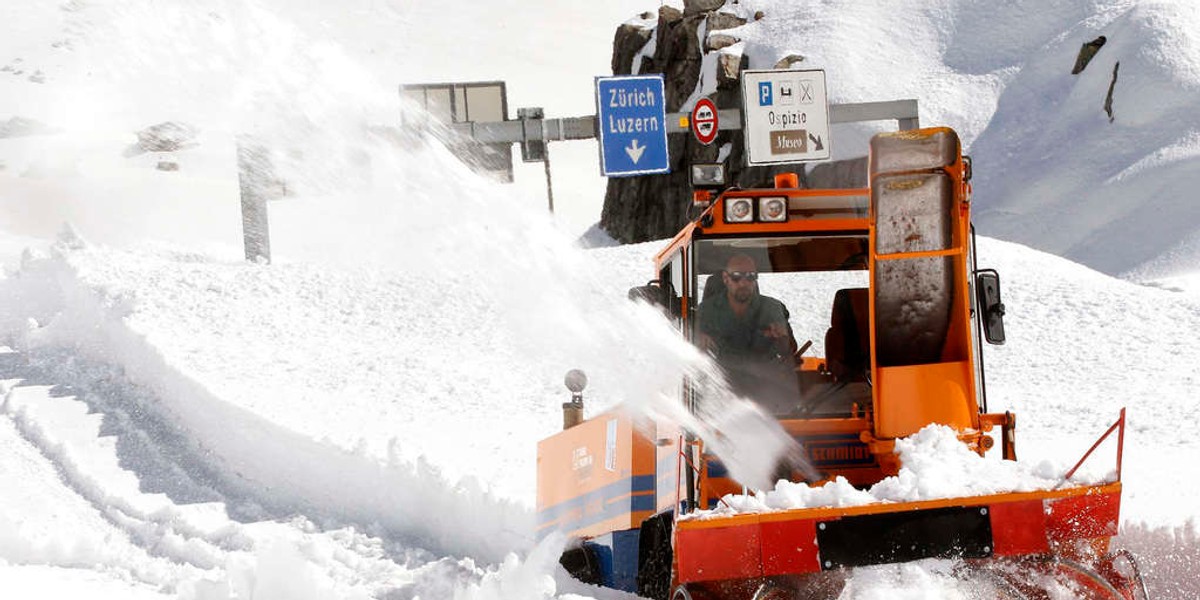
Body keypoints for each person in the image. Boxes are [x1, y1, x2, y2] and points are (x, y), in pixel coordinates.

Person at [697, 254, 800, 412]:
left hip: (769, 398)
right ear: (726, 278)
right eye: (737, 277)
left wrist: (782, 338)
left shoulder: (773, 308)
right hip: (721, 399)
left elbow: (790, 353)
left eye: (751, 277)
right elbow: (693, 357)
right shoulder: (705, 312)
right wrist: (700, 342)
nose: (744, 283)